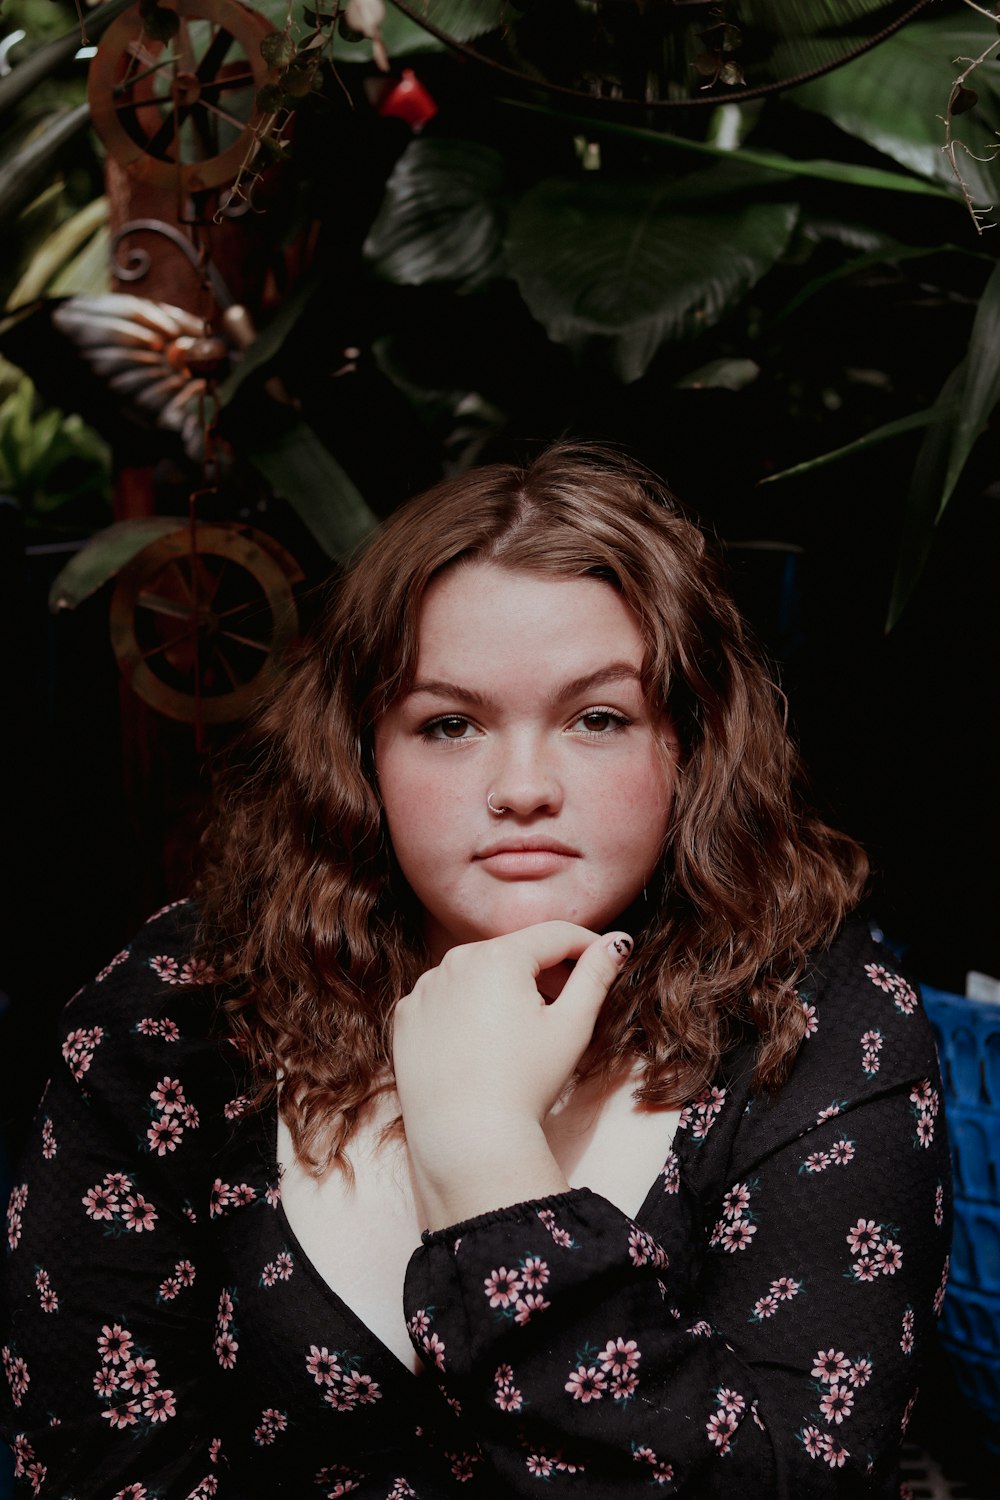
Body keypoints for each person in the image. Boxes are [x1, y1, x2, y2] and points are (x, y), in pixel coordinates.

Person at [2, 444, 951, 1497]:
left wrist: (489, 1164)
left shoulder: (816, 1029)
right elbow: (100, 1468)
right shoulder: (179, 1010)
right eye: (448, 725)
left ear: (686, 744)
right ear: (365, 754)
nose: (522, 788)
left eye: (597, 719)